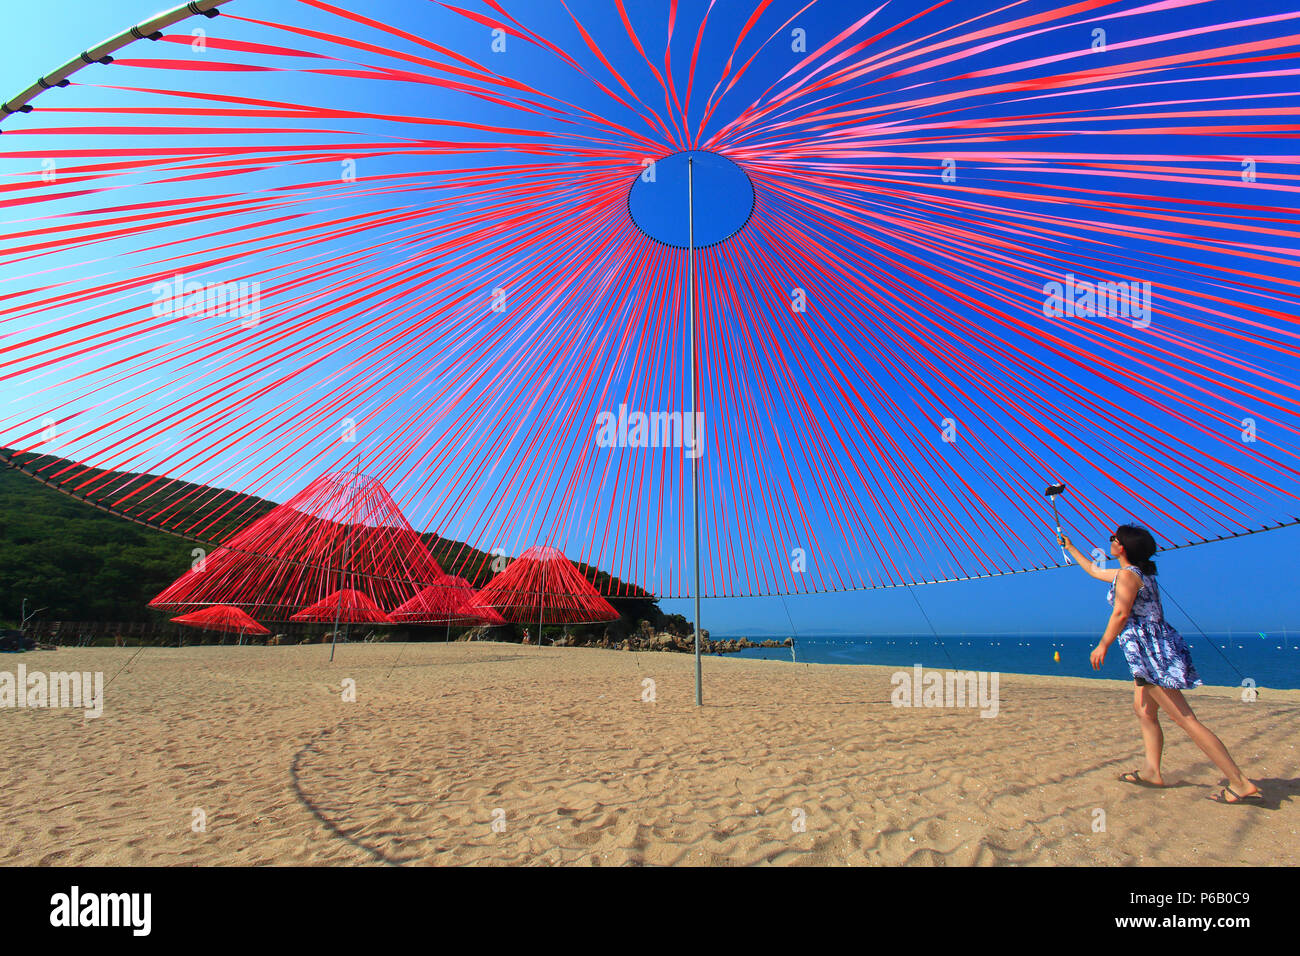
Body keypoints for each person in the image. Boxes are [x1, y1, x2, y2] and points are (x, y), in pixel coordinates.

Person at [1059, 524, 1261, 804]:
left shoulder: (1129, 576)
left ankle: (1239, 782)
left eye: (1114, 539)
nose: (1111, 541)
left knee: (1185, 719)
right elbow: (1094, 571)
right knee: (1143, 711)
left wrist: (1103, 644)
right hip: (1153, 648)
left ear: (1123, 547)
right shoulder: (1132, 574)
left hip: (1149, 654)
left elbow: (1120, 613)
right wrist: (1070, 547)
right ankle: (1153, 771)